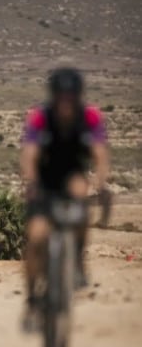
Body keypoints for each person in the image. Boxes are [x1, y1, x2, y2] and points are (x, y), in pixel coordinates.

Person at [20, 67, 110, 329]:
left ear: (78, 97)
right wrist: (31, 181)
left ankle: (79, 262)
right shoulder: (40, 117)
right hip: (45, 178)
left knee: (81, 195)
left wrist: (100, 182)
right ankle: (31, 299)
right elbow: (29, 154)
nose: (66, 104)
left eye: (71, 98)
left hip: (72, 174)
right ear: (54, 96)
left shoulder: (90, 116)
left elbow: (100, 154)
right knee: (36, 237)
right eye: (61, 98)